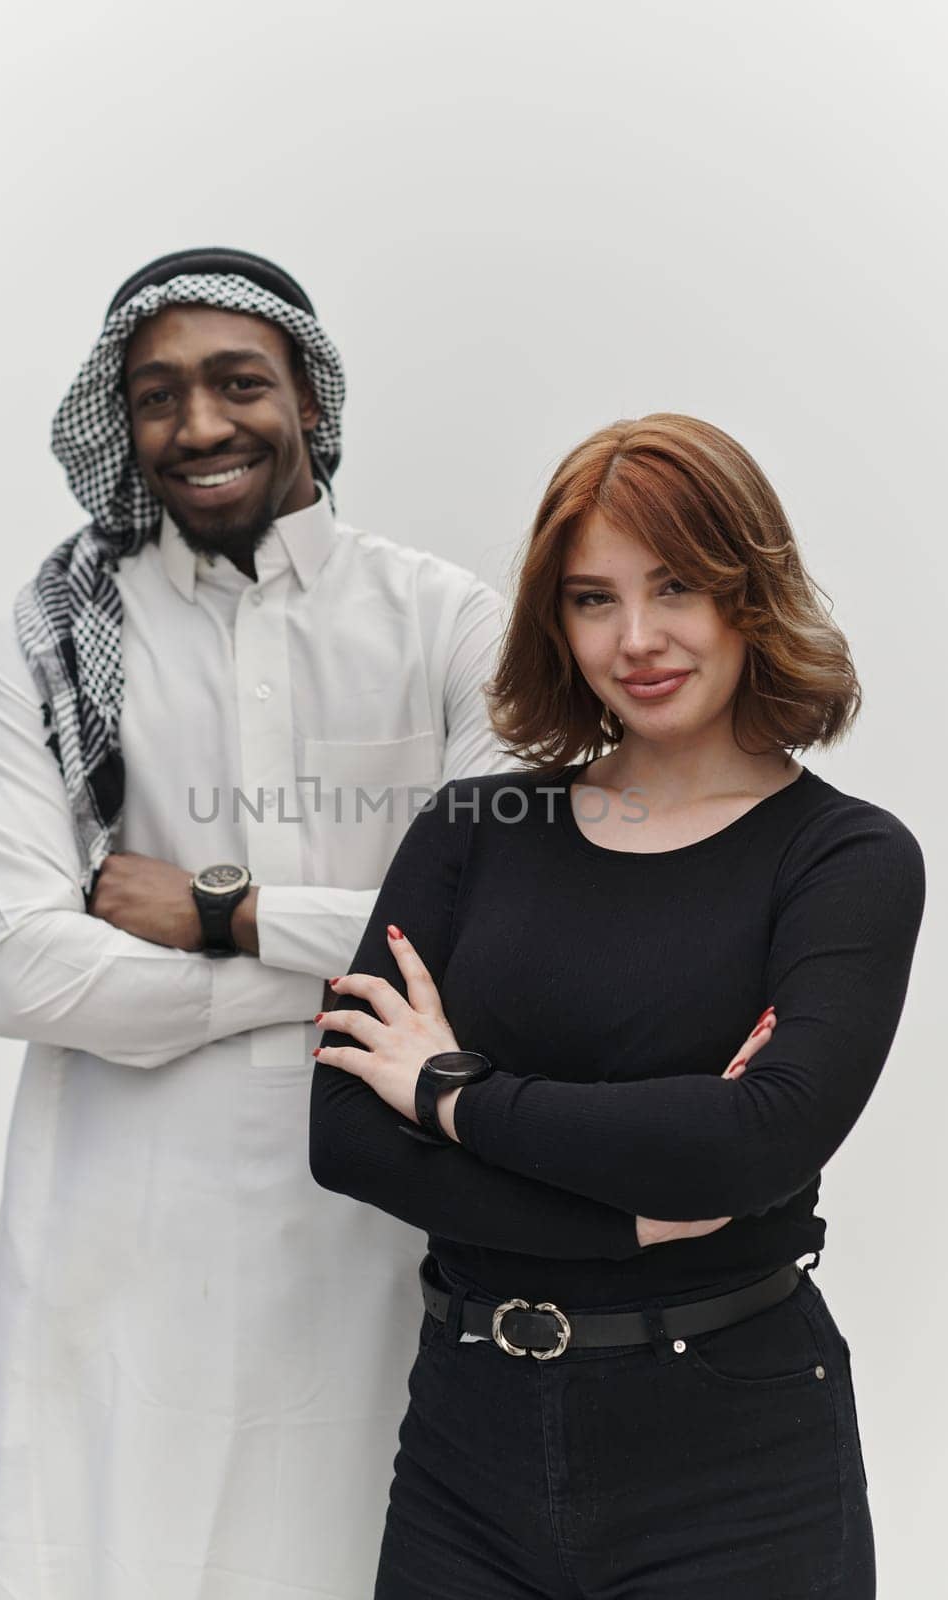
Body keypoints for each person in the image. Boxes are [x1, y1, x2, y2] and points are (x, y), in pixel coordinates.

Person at [0, 247, 515, 1600]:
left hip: (383, 1216)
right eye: (155, 397)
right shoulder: (49, 640)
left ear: (308, 397)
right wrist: (346, 967)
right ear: (119, 422)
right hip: (118, 1221)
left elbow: (504, 931)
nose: (197, 427)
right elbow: (22, 967)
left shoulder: (446, 624)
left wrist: (219, 913)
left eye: (235, 383)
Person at [309, 413, 926, 1600]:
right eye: (591, 599)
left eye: (676, 586)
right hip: (462, 1443)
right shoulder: (474, 830)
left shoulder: (843, 859)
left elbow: (753, 1143)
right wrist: (630, 1218)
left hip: (734, 1459)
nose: (634, 639)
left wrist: (448, 1092)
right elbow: (342, 1138)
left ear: (753, 592)